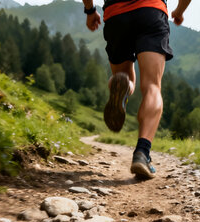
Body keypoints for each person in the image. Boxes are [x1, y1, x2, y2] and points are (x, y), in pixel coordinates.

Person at [82, 0, 192, 179]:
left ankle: (124, 83)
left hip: (116, 14)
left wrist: (89, 10)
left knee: (125, 76)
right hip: (151, 11)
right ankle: (142, 153)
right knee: (152, 86)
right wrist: (179, 11)